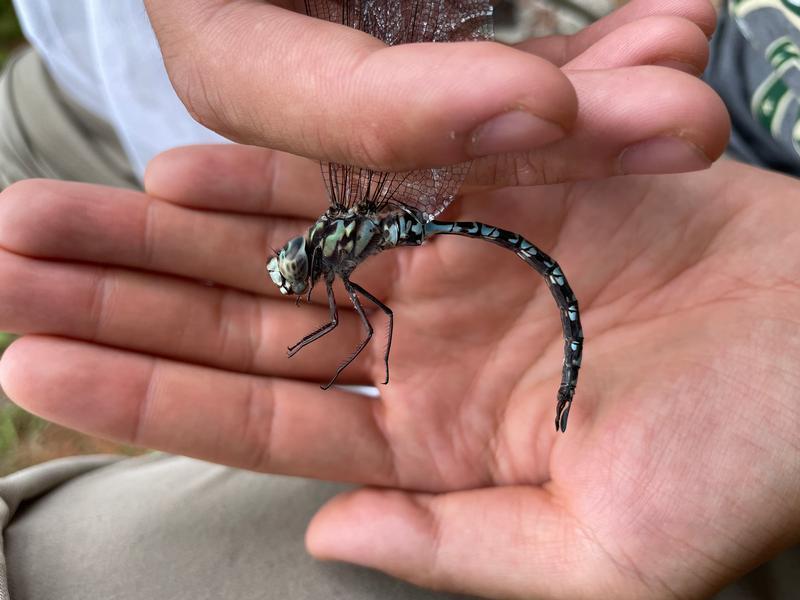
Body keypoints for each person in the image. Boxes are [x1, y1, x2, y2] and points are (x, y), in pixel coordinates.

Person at [0, 1, 797, 599]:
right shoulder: (336, 222)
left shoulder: (343, 243)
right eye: (292, 269)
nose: (290, 272)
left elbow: (368, 321)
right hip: (87, 62)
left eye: (293, 267)